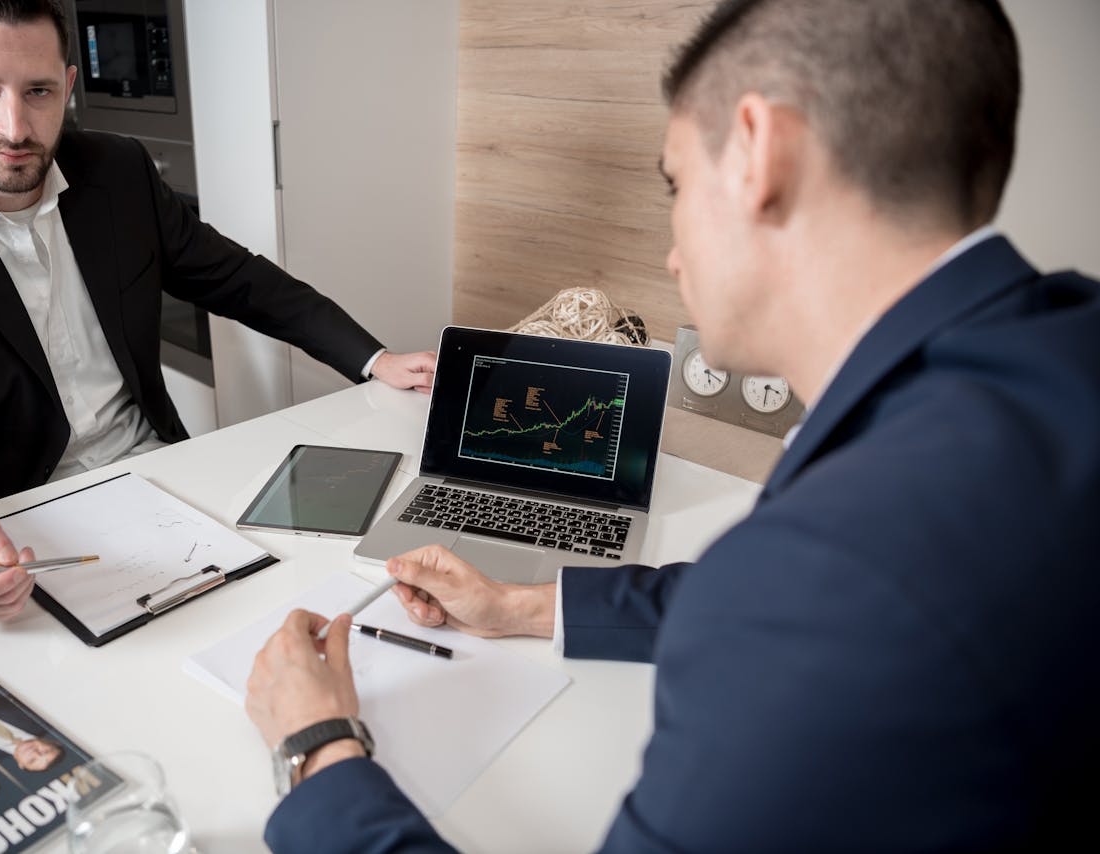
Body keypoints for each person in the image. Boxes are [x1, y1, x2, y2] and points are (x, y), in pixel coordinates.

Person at [243, 0, 1100, 850]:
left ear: (762, 153)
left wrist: (318, 751)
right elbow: (764, 598)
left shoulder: (854, 562)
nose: (671, 252)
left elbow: (803, 601)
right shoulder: (1059, 348)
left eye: (677, 183)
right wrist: (520, 605)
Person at [0, 0, 437, 624]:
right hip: (11, 522)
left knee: (327, 598)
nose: (14, 126)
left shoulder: (118, 170)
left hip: (162, 473)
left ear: (67, 82)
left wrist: (373, 357)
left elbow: (237, 278)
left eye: (38, 91)